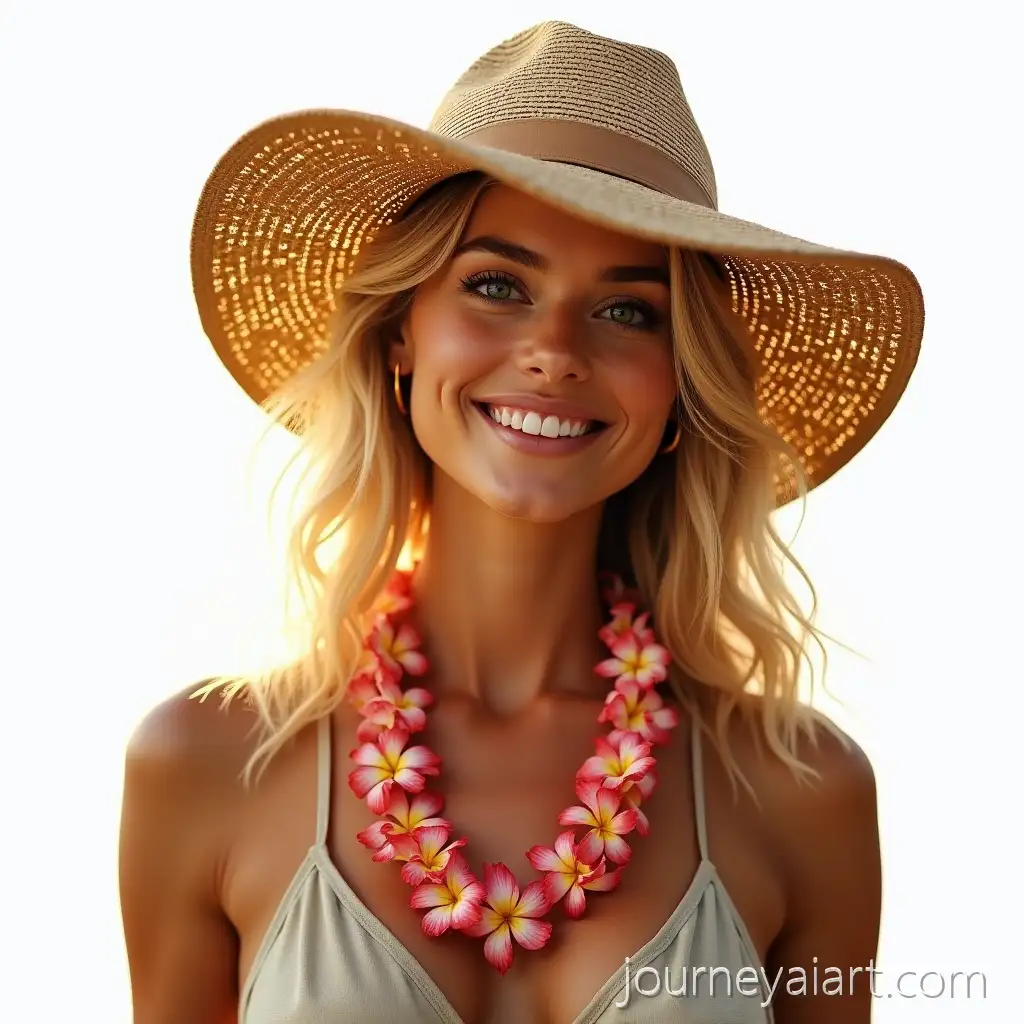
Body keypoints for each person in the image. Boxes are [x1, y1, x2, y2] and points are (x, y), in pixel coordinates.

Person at [119, 19, 924, 1024]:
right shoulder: (204, 762)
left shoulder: (801, 788)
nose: (552, 349)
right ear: (399, 335)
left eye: (628, 310)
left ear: (682, 389)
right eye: (496, 285)